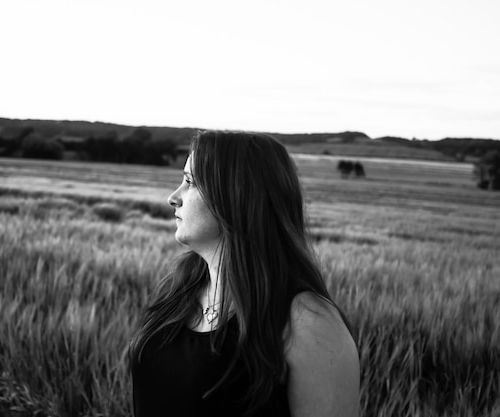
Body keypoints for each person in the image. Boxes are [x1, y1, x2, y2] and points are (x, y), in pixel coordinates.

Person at [130, 130, 360, 417]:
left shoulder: (308, 323)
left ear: (236, 196)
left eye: (190, 182)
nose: (173, 198)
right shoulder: (180, 290)